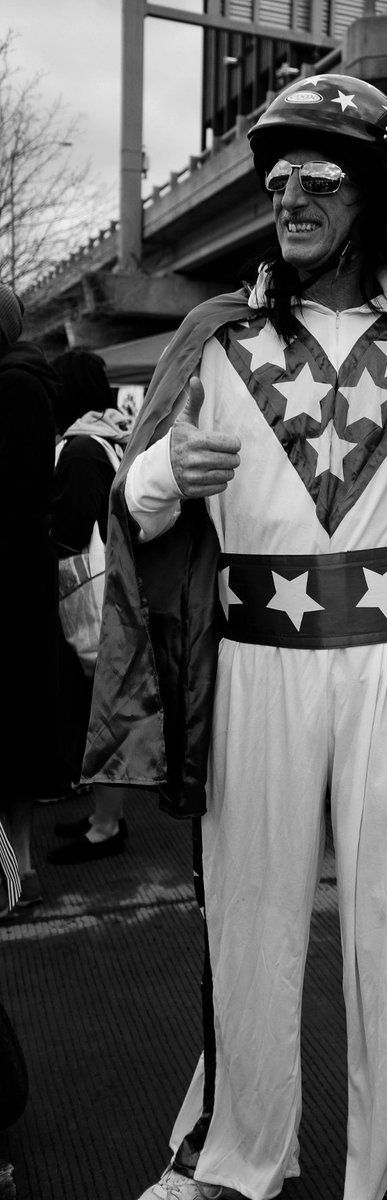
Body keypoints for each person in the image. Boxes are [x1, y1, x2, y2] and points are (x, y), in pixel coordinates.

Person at [81, 75, 387, 1200]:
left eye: (320, 180)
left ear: (377, 199)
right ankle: (237, 1158)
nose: (289, 196)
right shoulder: (213, 332)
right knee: (246, 919)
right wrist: (158, 477)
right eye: (278, 178)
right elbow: (130, 514)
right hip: (250, 663)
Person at [46, 350, 133, 864]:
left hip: (93, 602)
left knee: (104, 714)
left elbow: (73, 531)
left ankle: (107, 825)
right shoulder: (107, 437)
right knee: (108, 710)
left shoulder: (78, 449)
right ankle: (105, 813)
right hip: (116, 592)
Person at [0, 284, 64, 918]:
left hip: (11, 588)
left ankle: (15, 877)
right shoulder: (22, 384)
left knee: (11, 742)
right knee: (13, 744)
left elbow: (16, 497)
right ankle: (18, 873)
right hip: (19, 583)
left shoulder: (15, 389)